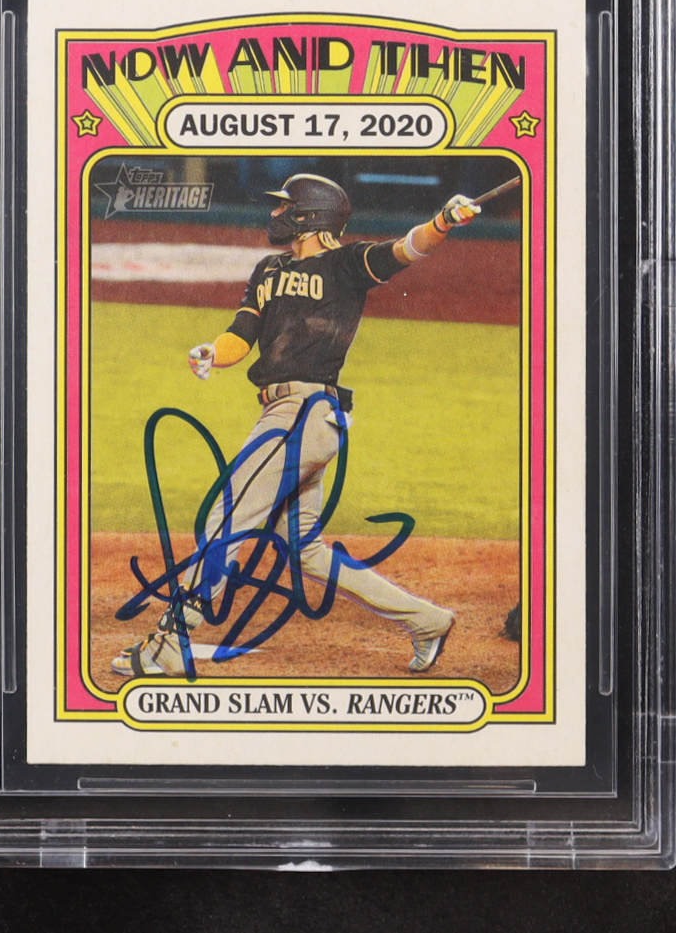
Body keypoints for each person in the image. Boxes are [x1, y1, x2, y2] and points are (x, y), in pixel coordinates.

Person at [112, 173, 480, 679]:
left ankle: (172, 640)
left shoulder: (346, 264)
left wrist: (443, 221)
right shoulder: (269, 269)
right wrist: (213, 351)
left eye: (286, 206)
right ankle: (427, 620)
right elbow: (243, 332)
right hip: (291, 417)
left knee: (228, 516)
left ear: (310, 214)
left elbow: (406, 249)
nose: (276, 213)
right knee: (305, 550)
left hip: (303, 414)